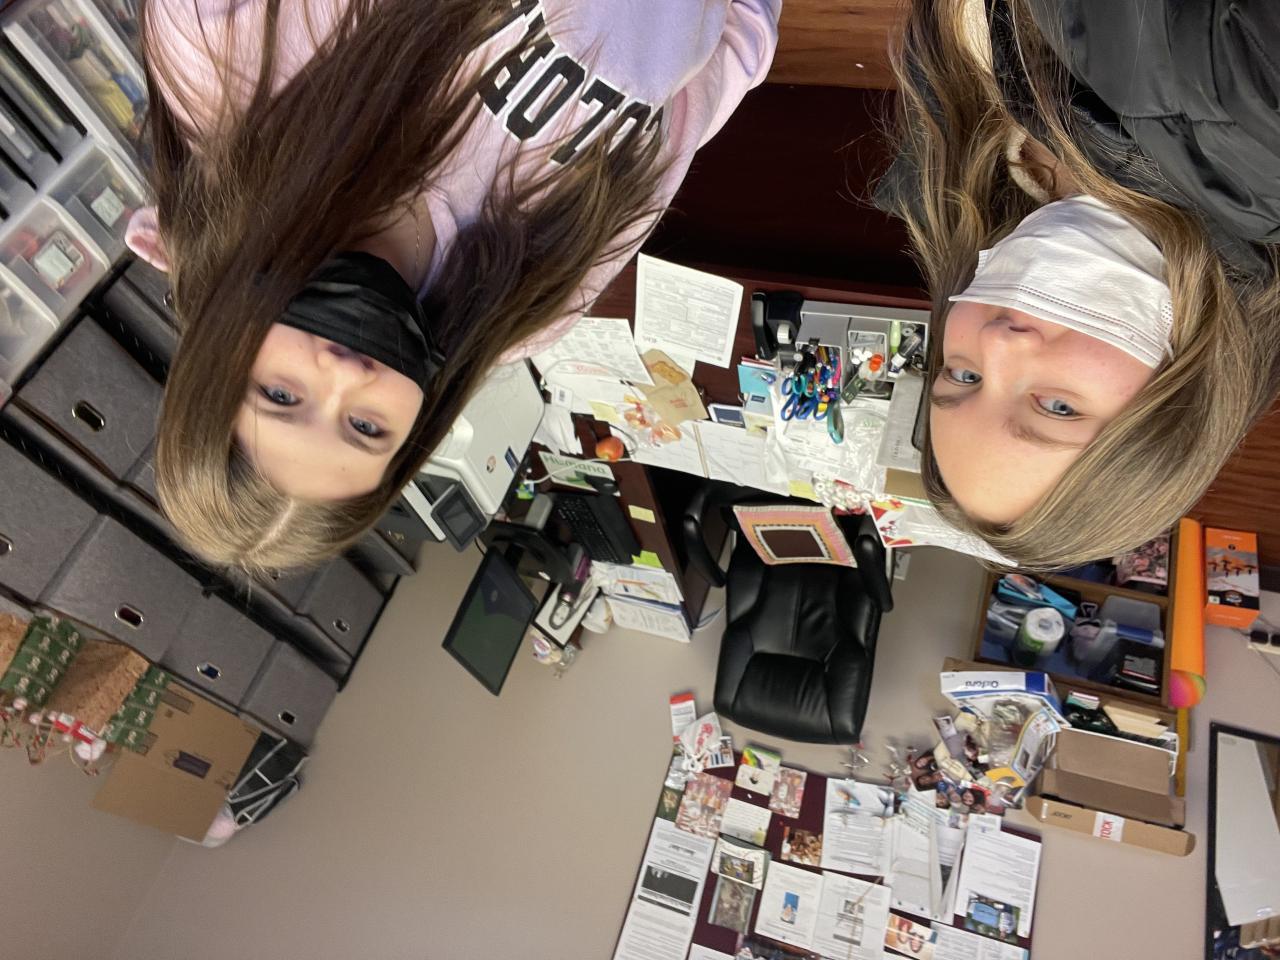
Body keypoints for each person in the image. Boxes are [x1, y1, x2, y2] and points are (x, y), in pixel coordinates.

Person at [130, 0, 781, 572]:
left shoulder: (219, 50)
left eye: (281, 395)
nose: (346, 374)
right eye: (365, 426)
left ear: (219, 359)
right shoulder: (534, 301)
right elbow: (708, 83)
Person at [882, 0, 1280, 570]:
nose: (996, 343)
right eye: (1058, 406)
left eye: (964, 376)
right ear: (1179, 408)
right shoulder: (1262, 124)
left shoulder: (959, 173)